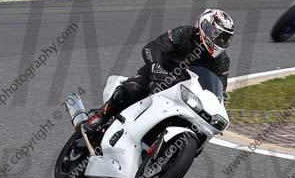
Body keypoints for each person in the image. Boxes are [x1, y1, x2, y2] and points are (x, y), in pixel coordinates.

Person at [85, 9, 234, 136]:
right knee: (133, 88)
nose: (221, 41)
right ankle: (101, 116)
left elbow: (219, 92)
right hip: (157, 77)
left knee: (201, 132)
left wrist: (217, 109)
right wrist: (156, 67)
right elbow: (152, 48)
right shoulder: (184, 33)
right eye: (218, 35)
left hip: (185, 94)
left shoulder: (222, 61)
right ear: (204, 26)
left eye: (225, 38)